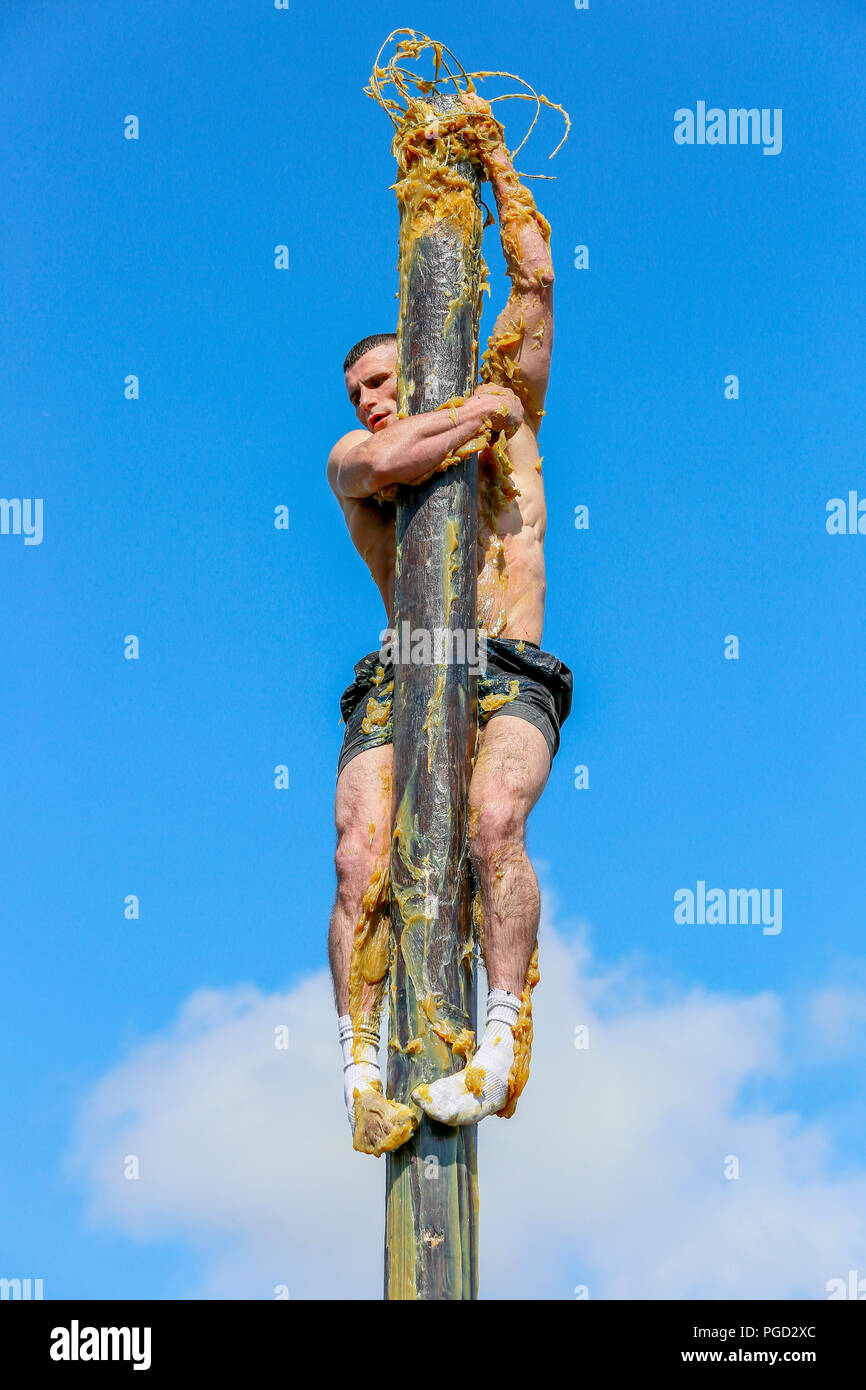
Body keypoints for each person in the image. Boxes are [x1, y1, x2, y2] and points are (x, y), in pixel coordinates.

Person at [326, 94, 572, 1145]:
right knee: (358, 854)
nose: (372, 399)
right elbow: (384, 460)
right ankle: (357, 1063)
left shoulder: (509, 400)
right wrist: (465, 417)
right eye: (358, 391)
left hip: (504, 660)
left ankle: (504, 1035)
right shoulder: (356, 460)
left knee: (491, 827)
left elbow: (535, 280)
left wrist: (490, 158)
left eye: (383, 379)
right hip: (397, 672)